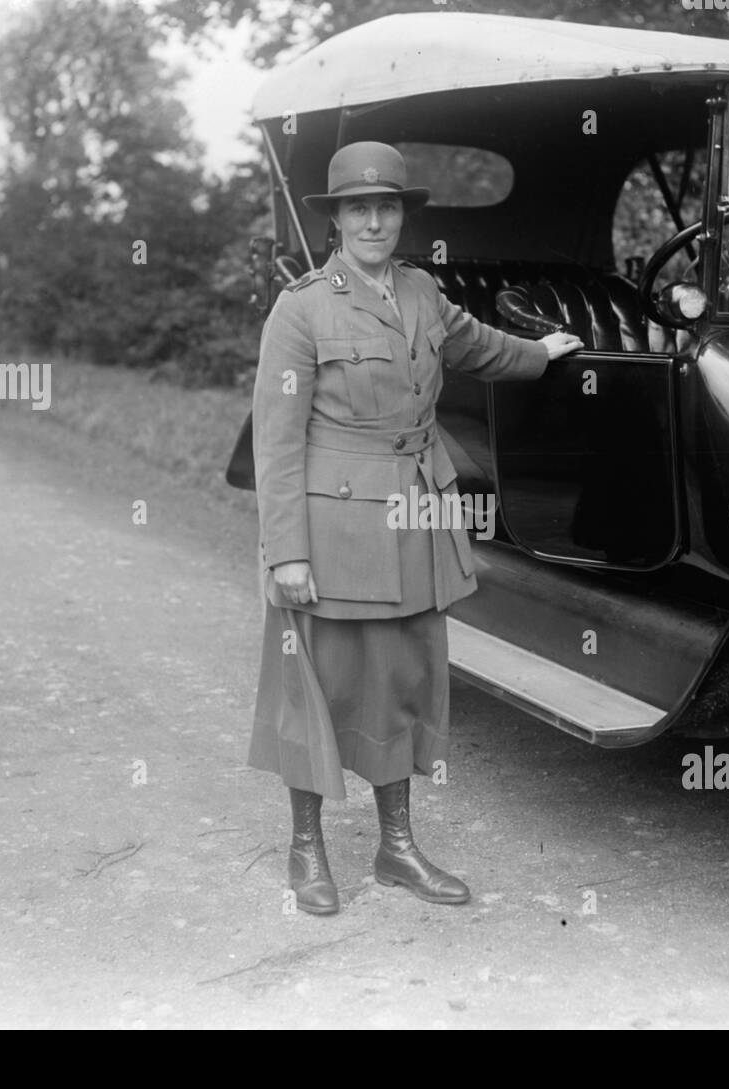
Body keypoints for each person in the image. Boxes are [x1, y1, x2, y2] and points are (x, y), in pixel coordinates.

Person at [247, 141, 583, 915]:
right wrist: (286, 551)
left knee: (403, 680)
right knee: (320, 687)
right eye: (358, 208)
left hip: (414, 516)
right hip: (333, 529)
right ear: (335, 220)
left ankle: (396, 848)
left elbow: (478, 347)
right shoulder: (301, 308)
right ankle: (308, 850)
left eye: (387, 206)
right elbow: (277, 438)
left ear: (402, 215)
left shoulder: (423, 291)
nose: (373, 220)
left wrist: (542, 353)